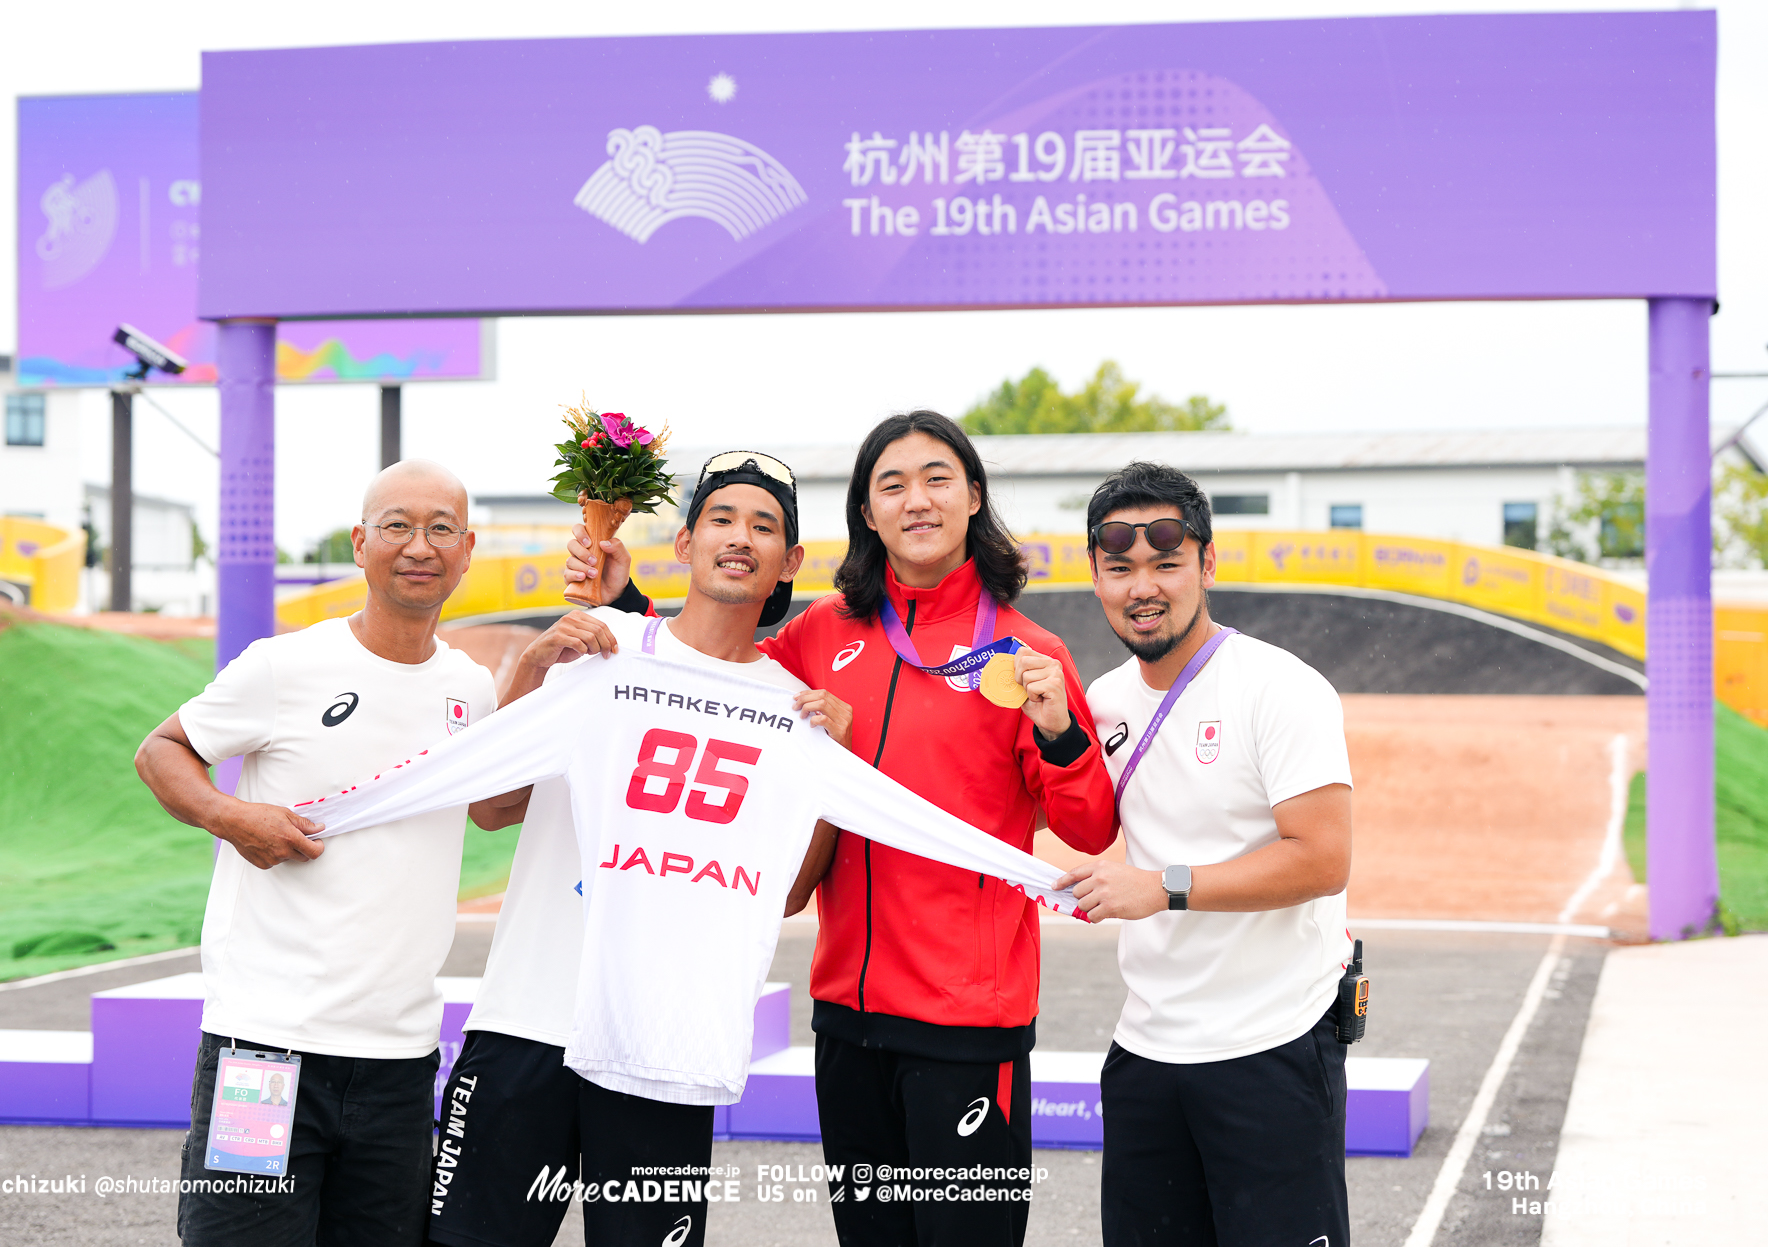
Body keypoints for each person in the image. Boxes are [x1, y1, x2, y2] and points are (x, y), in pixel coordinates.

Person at [569, 415, 1116, 1244]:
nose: (917, 500)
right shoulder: (822, 633)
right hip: (848, 1018)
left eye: (937, 478)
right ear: (867, 512)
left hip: (967, 1025)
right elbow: (717, 674)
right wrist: (627, 603)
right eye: (891, 484)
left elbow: (1089, 826)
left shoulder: (1027, 651)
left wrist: (1060, 733)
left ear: (973, 495)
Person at [424, 453, 848, 1247]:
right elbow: (491, 807)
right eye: (722, 519)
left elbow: (787, 892)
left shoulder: (794, 706)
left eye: (764, 526)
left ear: (789, 561)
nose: (740, 537)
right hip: (528, 1022)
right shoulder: (600, 644)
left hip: (662, 1044)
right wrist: (535, 667)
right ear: (684, 541)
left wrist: (830, 771)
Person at [133, 459, 509, 1245]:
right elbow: (162, 751)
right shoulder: (285, 666)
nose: (420, 545)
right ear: (360, 541)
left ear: (467, 549)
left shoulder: (471, 691)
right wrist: (235, 817)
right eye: (398, 525)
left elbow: (495, 809)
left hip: (400, 1061)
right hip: (265, 1049)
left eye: (441, 528)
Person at [1055, 462, 1355, 1247]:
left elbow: (1322, 859)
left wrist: (1164, 887)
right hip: (1146, 1051)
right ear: (1096, 575)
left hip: (1272, 1047)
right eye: (1120, 568)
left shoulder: (1279, 688)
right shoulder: (1104, 701)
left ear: (1208, 563)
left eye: (1166, 562)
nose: (1142, 586)